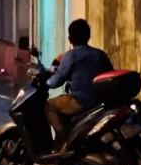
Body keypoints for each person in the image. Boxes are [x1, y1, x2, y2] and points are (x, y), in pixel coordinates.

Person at [45, 19, 113, 150]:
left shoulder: (70, 55)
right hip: (99, 103)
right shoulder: (99, 54)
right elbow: (110, 73)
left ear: (70, 38)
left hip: (79, 101)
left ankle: (61, 139)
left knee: (48, 105)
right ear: (88, 36)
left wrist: (46, 82)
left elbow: (56, 81)